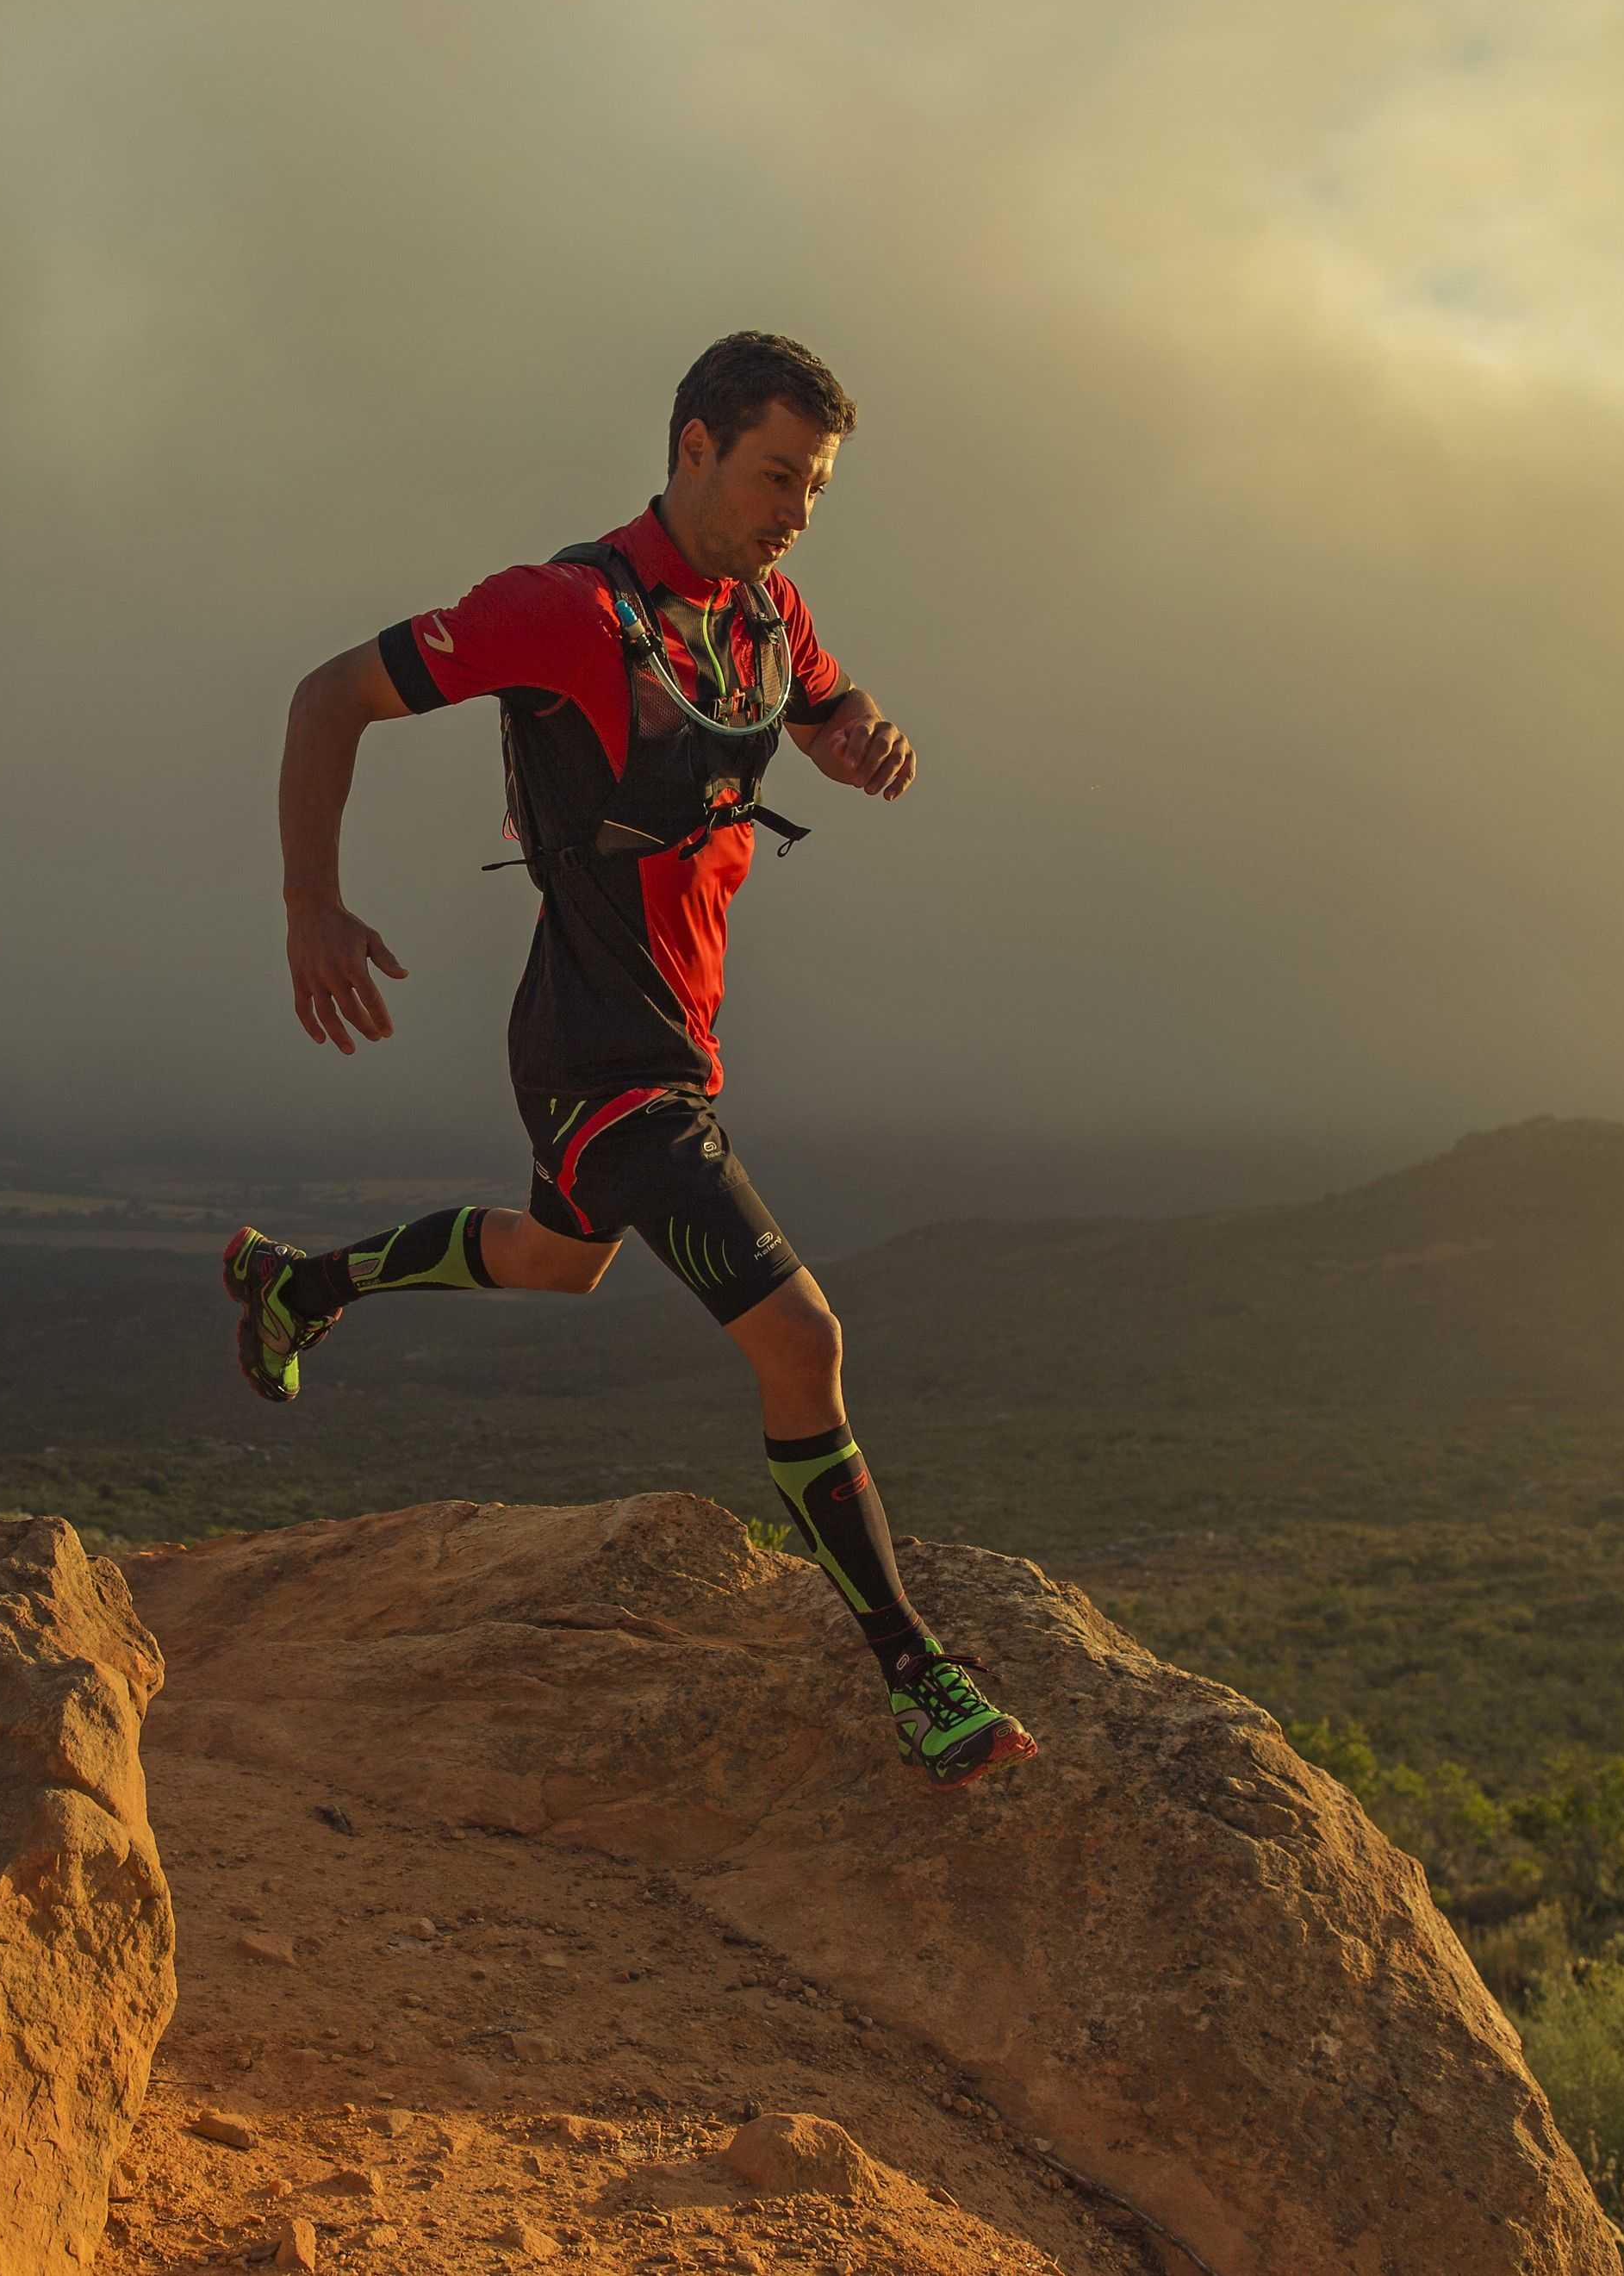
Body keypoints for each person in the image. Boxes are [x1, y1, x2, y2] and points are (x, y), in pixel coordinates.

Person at [226, 334, 1036, 1787]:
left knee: (556, 1258)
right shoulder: (559, 610)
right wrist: (310, 905)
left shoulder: (760, 608)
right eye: (778, 473)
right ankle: (917, 1675)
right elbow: (325, 696)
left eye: (818, 486)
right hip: (598, 1042)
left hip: (677, 1033)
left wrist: (864, 743)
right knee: (804, 1340)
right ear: (693, 447)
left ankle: (301, 1282)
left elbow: (830, 703)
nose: (797, 508)